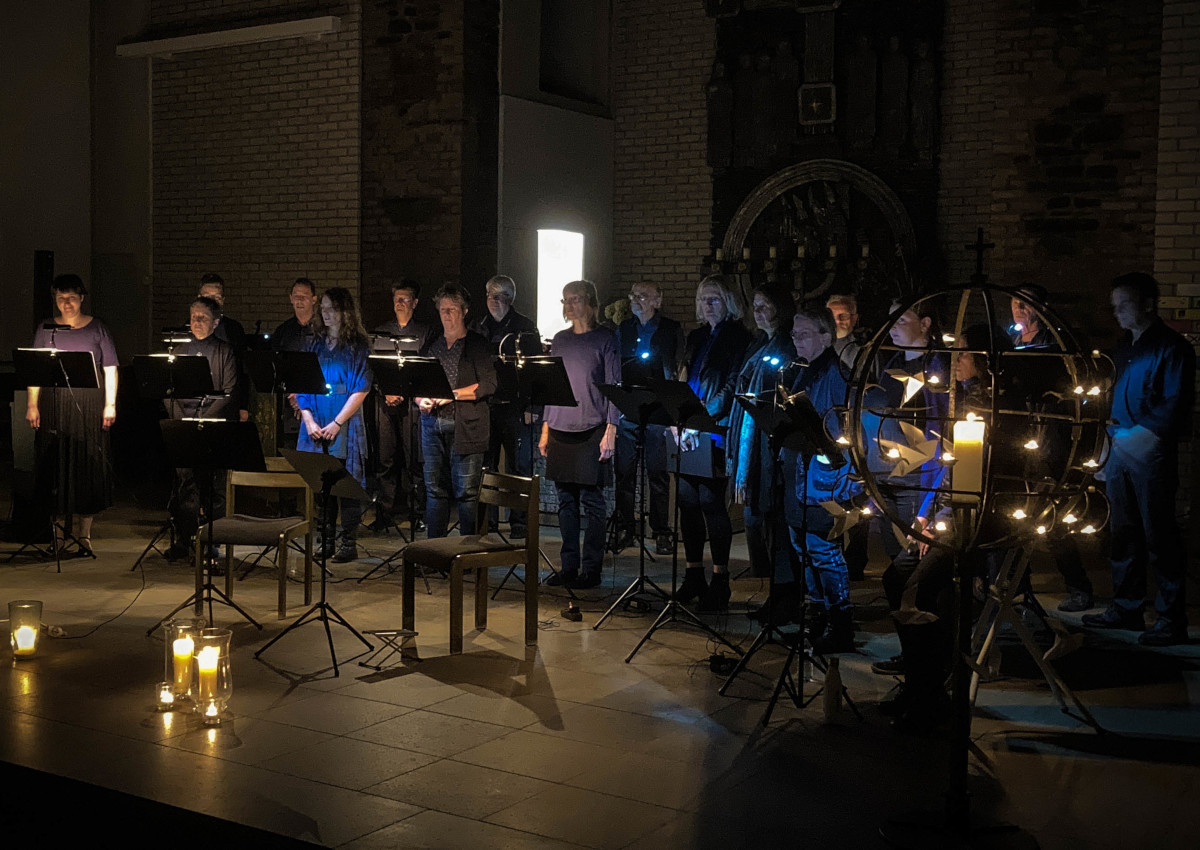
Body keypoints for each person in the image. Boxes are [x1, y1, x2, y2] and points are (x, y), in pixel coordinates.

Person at [1082, 273, 1194, 646]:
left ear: (1148, 303)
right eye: (1114, 307)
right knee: (1124, 532)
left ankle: (1169, 618)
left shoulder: (1172, 347)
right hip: (1120, 450)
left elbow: (1175, 403)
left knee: (1159, 535)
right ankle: (1127, 607)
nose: (1118, 313)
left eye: (1124, 305)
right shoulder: (1123, 347)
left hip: (1150, 453)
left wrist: (1139, 435)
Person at [867, 298, 950, 676]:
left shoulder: (938, 369)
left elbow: (940, 437)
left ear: (926, 323)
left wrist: (930, 504)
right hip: (886, 478)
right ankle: (912, 653)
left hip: (920, 482)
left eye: (902, 319)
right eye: (890, 320)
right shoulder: (891, 364)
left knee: (910, 576)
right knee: (896, 570)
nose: (893, 327)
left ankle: (928, 661)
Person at [1007, 285, 1095, 612]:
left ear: (1041, 307)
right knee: (1015, 512)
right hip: (1022, 434)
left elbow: (1074, 386)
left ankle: (1078, 585)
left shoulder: (1059, 342)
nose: (1018, 309)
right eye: (1015, 303)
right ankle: (1019, 587)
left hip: (1052, 435)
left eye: (1025, 303)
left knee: (1052, 512)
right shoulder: (1013, 341)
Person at [777, 307, 859, 650]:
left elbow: (838, 426)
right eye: (794, 334)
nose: (796, 340)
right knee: (803, 548)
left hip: (824, 475)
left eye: (804, 334)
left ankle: (840, 625)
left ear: (826, 336)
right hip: (799, 470)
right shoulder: (801, 370)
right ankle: (816, 619)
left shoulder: (837, 374)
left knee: (823, 550)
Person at [673, 274, 752, 611]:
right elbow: (684, 375)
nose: (708, 305)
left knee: (710, 502)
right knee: (687, 501)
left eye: (715, 299)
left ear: (729, 302)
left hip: (715, 428)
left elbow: (732, 385)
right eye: (704, 299)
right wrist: (680, 417)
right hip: (688, 428)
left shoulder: (739, 337)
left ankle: (720, 579)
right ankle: (693, 575)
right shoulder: (696, 335)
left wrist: (702, 418)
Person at [26, 274, 119, 555]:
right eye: (60, 298)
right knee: (54, 464)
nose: (66, 303)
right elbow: (35, 369)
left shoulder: (97, 328)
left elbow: (110, 368)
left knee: (85, 465)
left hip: (88, 404)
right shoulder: (47, 328)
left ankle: (83, 534)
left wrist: (110, 404)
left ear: (81, 298)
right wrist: (33, 404)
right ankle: (56, 535)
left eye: (71, 298)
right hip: (55, 405)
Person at [539, 280, 620, 593]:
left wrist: (611, 429)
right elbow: (551, 385)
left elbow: (614, 385)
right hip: (560, 427)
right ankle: (569, 565)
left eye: (576, 299)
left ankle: (592, 568)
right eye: (566, 300)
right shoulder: (559, 340)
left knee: (592, 501)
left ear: (591, 303)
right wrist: (546, 427)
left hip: (592, 427)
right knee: (565, 502)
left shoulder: (605, 339)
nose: (570, 305)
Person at [296, 288, 373, 563]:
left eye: (332, 309)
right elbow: (301, 384)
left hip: (343, 421)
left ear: (345, 312)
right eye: (324, 308)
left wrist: (338, 423)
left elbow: (361, 388)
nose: (326, 314)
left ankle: (347, 542)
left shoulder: (357, 346)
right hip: (316, 419)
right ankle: (325, 540)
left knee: (345, 483)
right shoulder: (314, 344)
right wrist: (309, 420)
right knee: (321, 483)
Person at [416, 284, 496, 539]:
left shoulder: (476, 344)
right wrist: (420, 399)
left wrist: (450, 396)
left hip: (466, 426)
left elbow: (488, 384)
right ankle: (434, 550)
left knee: (466, 491)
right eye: (442, 310)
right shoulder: (434, 344)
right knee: (434, 490)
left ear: (464, 311)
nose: (446, 315)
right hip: (432, 425)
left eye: (451, 310)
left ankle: (467, 552)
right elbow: (418, 381)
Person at [727, 285, 795, 582]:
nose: (757, 312)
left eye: (764, 305)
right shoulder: (757, 343)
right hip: (747, 432)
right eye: (754, 305)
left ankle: (775, 581)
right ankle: (760, 573)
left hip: (766, 441)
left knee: (767, 512)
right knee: (752, 512)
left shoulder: (785, 347)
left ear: (780, 309)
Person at [165, 296, 240, 560]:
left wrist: (203, 419)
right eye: (193, 316)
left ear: (215, 322)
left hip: (212, 424)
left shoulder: (223, 350)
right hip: (183, 424)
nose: (196, 322)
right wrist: (181, 420)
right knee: (186, 484)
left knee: (214, 486)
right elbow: (167, 390)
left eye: (203, 317)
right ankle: (185, 538)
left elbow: (228, 393)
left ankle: (213, 539)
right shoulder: (179, 350)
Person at [614, 281, 682, 555]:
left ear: (657, 301)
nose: (636, 300)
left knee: (657, 472)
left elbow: (675, 368)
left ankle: (661, 530)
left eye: (643, 296)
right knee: (625, 472)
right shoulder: (624, 329)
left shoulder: (670, 329)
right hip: (630, 407)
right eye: (633, 295)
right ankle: (625, 528)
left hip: (658, 410)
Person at [472, 274, 541, 538]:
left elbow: (534, 371)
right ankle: (487, 522)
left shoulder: (525, 327)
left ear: (510, 299)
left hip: (515, 407)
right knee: (486, 466)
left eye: (500, 296)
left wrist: (532, 407)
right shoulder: (478, 327)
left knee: (519, 467)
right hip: (486, 407)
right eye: (491, 295)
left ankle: (519, 523)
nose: (494, 301)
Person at [371, 279, 434, 531]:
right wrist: (385, 391)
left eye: (405, 298)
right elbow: (374, 369)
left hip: (412, 406)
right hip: (385, 404)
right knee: (386, 459)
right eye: (396, 298)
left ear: (415, 303)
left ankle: (417, 513)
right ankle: (384, 513)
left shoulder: (425, 333)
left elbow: (425, 370)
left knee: (414, 460)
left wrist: (407, 393)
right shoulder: (381, 332)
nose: (399, 303)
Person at [198, 273, 249, 422]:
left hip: (229, 405)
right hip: (197, 402)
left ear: (223, 301)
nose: (212, 302)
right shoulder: (188, 328)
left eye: (217, 298)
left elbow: (242, 370)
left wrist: (243, 405)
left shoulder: (234, 329)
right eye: (207, 297)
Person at [825, 292, 863, 373]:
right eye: (831, 316)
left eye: (843, 316)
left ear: (854, 319)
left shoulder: (863, 352)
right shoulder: (815, 345)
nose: (837, 321)